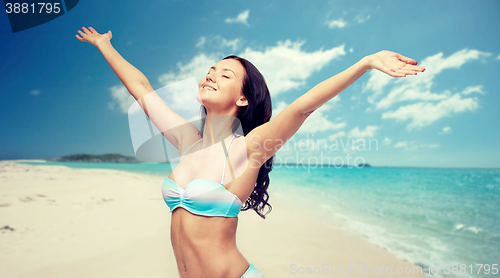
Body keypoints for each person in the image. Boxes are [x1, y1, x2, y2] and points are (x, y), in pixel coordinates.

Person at [76, 26, 425, 278]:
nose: (210, 75)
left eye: (224, 75)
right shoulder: (187, 140)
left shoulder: (249, 149)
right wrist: (104, 45)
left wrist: (365, 63)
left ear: (242, 98)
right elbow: (141, 89)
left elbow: (302, 107)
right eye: (210, 70)